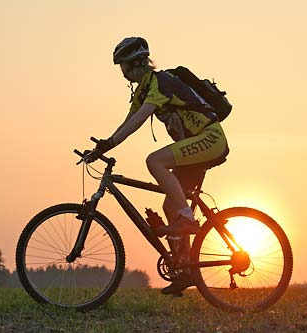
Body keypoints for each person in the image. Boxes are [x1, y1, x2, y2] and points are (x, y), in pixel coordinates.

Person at [87, 37, 229, 295]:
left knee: (155, 160)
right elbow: (127, 123)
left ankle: (187, 219)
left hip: (210, 138)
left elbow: (140, 118)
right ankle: (186, 269)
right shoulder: (143, 90)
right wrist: (102, 147)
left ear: (138, 63)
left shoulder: (160, 83)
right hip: (198, 143)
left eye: (125, 67)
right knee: (169, 204)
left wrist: (108, 144)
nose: (123, 73)